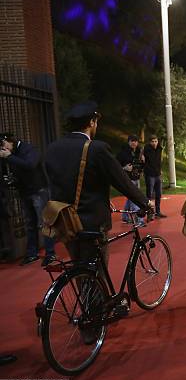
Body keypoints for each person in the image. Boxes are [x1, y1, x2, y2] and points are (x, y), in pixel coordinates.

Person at [44, 102, 152, 266]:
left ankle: (83, 290)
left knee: (79, 267)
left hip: (65, 221)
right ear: (91, 122)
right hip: (91, 222)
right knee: (96, 273)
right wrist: (144, 202)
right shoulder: (96, 148)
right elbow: (121, 180)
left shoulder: (52, 148)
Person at [0, 133, 56, 266]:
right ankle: (32, 253)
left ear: (9, 141)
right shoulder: (10, 154)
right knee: (30, 224)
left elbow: (30, 165)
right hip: (24, 191)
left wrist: (9, 157)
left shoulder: (29, 149)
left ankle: (50, 253)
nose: (3, 149)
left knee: (45, 222)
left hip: (39, 190)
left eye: (3, 145)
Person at [116, 135, 145, 225]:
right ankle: (139, 220)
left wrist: (143, 161)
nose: (134, 143)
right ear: (128, 142)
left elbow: (140, 166)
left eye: (136, 141)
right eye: (132, 141)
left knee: (131, 198)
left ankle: (125, 217)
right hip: (127, 179)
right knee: (135, 198)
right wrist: (124, 168)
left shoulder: (138, 152)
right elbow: (115, 166)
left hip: (136, 178)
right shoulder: (122, 153)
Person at [143, 135, 166, 220]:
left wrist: (160, 171)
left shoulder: (160, 149)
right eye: (152, 141)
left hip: (158, 174)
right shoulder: (146, 149)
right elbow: (143, 160)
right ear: (150, 142)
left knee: (158, 194)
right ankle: (149, 214)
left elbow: (159, 161)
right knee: (149, 195)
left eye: (155, 141)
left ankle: (158, 212)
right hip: (150, 175)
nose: (154, 143)